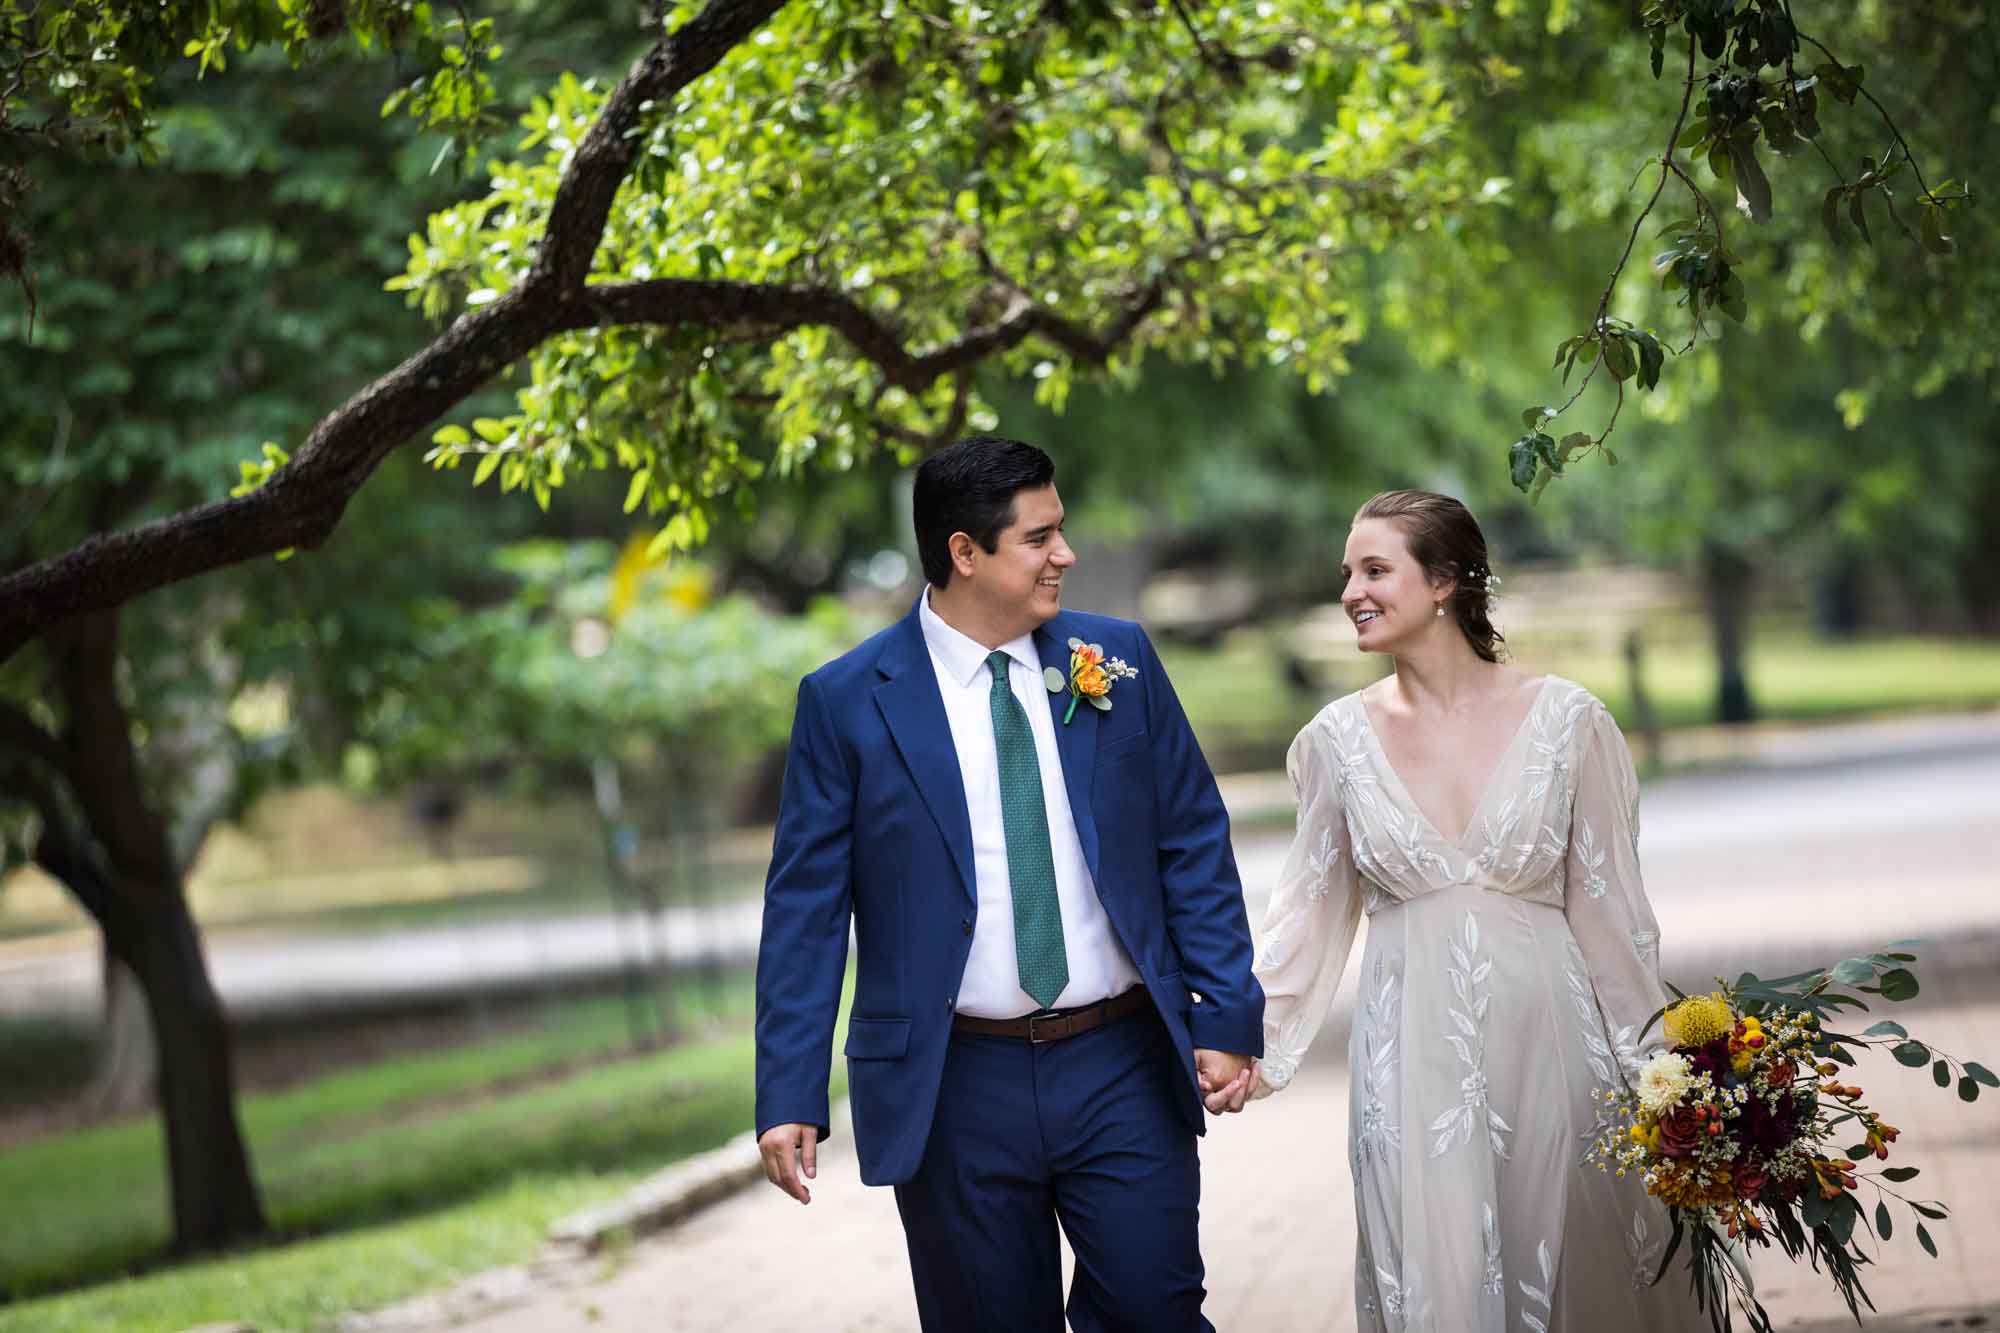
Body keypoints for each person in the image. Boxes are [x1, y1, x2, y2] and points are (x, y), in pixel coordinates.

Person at [753, 434, 1264, 1332]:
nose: (1064, 554)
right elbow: (806, 910)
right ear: (964, 552)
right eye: (1039, 538)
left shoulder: (1120, 660)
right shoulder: (845, 701)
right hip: (953, 1083)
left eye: (1060, 531)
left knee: (1157, 1310)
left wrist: (1224, 1011)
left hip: (1121, 1061)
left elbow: (1191, 840)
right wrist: (790, 1090)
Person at [1244, 489, 1702, 1331]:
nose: (1352, 590)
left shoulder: (1570, 723)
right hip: (1408, 1066)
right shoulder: (1333, 744)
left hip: (1557, 1057)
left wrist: (1664, 1081)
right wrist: (1245, 1048)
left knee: (1576, 1265)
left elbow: (1616, 923)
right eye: (1348, 572)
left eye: (1376, 569)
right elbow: (1303, 920)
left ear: (1445, 580)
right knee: (1435, 1276)